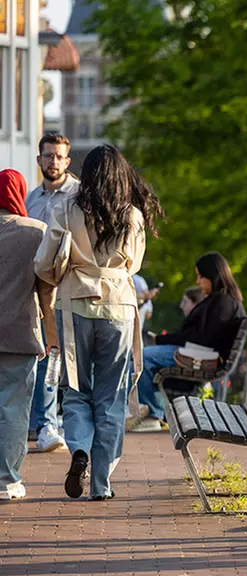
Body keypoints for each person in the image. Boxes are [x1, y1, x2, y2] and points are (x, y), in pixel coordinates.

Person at [34, 145, 162, 500]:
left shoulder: (67, 206)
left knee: (76, 389)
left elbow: (45, 261)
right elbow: (133, 264)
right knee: (111, 397)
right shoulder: (132, 215)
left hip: (75, 300)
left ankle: (79, 449)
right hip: (119, 304)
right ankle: (102, 484)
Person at [0, 170, 59, 501]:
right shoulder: (36, 232)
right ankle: (6, 479)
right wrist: (52, 337)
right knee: (13, 409)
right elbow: (47, 293)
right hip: (19, 332)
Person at [136, 252, 246, 425]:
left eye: (200, 276)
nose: (198, 281)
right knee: (141, 356)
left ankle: (152, 414)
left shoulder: (222, 302)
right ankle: (151, 411)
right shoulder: (221, 300)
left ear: (213, 275)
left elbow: (201, 338)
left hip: (203, 357)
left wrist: (163, 340)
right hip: (200, 352)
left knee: (142, 358)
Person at [25, 133, 78, 452]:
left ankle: (67, 422)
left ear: (67, 161)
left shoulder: (79, 196)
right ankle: (46, 423)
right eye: (48, 155)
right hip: (39, 295)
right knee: (48, 357)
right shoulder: (31, 200)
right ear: (39, 159)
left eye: (59, 156)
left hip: (72, 289)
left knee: (73, 360)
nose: (53, 161)